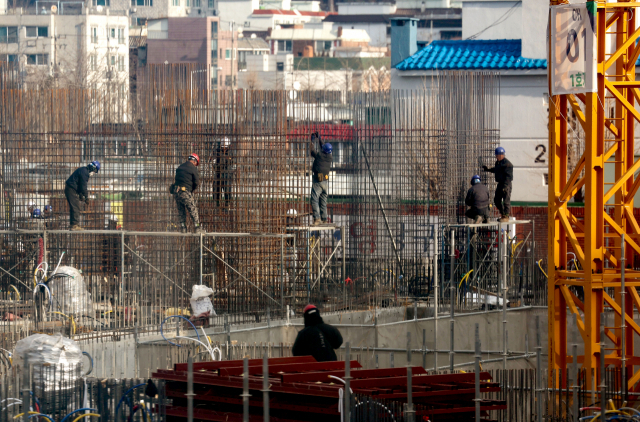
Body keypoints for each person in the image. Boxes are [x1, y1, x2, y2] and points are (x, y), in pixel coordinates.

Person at [171, 153, 205, 234]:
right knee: (193, 209)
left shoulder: (180, 167)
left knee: (181, 210)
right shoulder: (192, 168)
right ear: (195, 162)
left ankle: (183, 228)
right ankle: (197, 228)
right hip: (184, 191)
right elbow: (196, 182)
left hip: (176, 192)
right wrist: (191, 190)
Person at [65, 161, 100, 231]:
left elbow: (79, 185)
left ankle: (73, 224)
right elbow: (83, 186)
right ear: (92, 168)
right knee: (75, 207)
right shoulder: (85, 172)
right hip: (71, 189)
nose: (94, 173)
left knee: (75, 206)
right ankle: (74, 225)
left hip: (71, 189)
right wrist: (86, 197)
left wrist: (81, 195)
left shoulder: (83, 170)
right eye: (95, 171)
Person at [483, 146, 513, 223]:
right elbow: (496, 170)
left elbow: (509, 177)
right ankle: (503, 214)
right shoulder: (498, 163)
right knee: (496, 200)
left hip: (506, 184)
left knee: (506, 201)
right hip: (500, 184)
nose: (496, 157)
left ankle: (506, 216)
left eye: (497, 155)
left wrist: (505, 186)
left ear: (501, 155)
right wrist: (488, 169)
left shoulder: (507, 164)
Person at [309, 132, 333, 226]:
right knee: (323, 200)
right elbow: (324, 147)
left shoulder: (319, 156)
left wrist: (312, 140)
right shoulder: (329, 157)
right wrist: (319, 138)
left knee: (314, 199)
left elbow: (312, 151)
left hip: (318, 181)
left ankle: (317, 218)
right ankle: (324, 219)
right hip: (325, 182)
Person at [214, 138, 232, 209]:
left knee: (227, 190)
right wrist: (217, 166)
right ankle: (217, 205)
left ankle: (227, 205)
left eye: (226, 147)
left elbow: (231, 162)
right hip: (218, 174)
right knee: (217, 190)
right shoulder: (217, 152)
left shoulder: (230, 153)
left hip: (227, 175)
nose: (224, 148)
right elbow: (214, 162)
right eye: (223, 147)